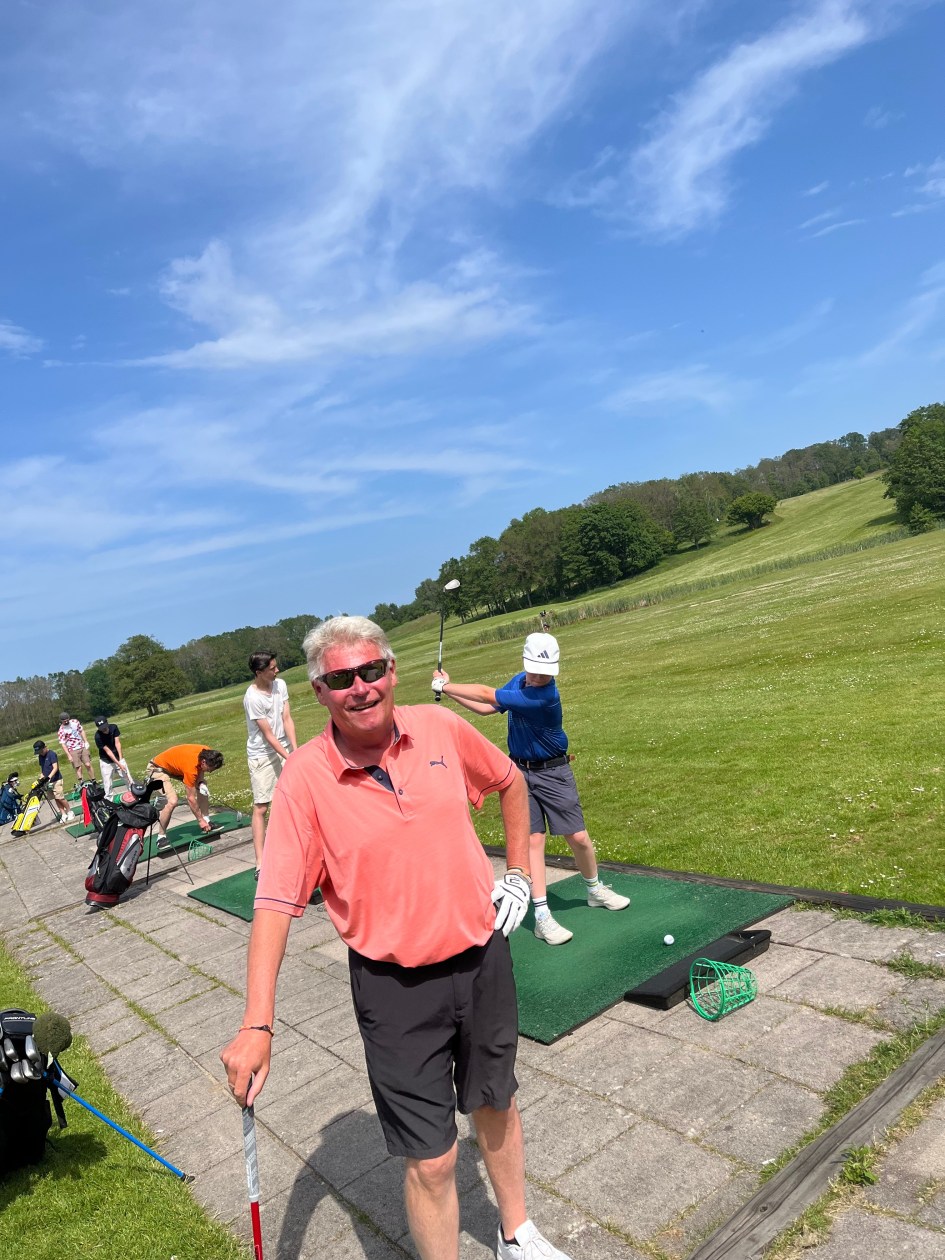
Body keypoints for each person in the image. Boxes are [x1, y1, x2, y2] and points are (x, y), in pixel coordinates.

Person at [221, 616, 572, 1260]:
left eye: (370, 670)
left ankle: (516, 1234)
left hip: (482, 957)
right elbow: (274, 903)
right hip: (394, 987)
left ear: (391, 671)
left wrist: (520, 875)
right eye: (340, 679)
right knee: (433, 1160)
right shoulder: (304, 779)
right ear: (319, 692)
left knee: (496, 1103)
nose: (359, 687)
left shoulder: (439, 727)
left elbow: (510, 782)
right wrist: (257, 1024)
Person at [433, 631, 630, 946]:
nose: (538, 677)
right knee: (533, 842)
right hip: (520, 774)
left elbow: (485, 693)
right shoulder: (520, 681)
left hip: (554, 772)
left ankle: (595, 889)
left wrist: (445, 686)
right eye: (534, 670)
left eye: (545, 672)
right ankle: (542, 917)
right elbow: (486, 707)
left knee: (578, 837)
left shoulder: (545, 696)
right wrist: (449, 690)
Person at [243, 651, 297, 877]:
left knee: (294, 799)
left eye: (276, 666)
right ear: (259, 672)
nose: (277, 671)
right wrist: (289, 757)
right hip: (262, 754)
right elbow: (268, 735)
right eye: (272, 668)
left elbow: (286, 719)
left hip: (284, 746)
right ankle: (260, 862)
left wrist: (295, 751)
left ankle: (296, 850)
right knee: (262, 807)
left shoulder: (280, 685)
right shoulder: (252, 698)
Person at [145, 745, 225, 843]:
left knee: (202, 786)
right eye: (210, 768)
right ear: (204, 762)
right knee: (172, 801)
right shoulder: (190, 769)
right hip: (157, 768)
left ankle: (207, 820)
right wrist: (200, 820)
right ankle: (161, 837)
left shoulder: (207, 752)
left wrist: (201, 783)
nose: (210, 771)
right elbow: (191, 798)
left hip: (175, 767)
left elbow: (200, 770)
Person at [31, 741, 76, 824]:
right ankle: (63, 814)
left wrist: (49, 777)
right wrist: (41, 778)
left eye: (41, 751)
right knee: (55, 798)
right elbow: (43, 770)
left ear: (44, 748)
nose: (40, 753)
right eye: (38, 752)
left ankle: (69, 811)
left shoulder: (51, 754)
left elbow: (55, 768)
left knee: (60, 797)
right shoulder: (40, 757)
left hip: (56, 779)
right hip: (47, 782)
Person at [93, 717, 134, 795]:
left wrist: (121, 759)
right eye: (102, 728)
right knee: (108, 784)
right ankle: (109, 800)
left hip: (118, 757)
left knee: (128, 779)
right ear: (98, 728)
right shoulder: (97, 736)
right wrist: (119, 764)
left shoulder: (113, 727)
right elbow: (108, 751)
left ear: (107, 723)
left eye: (105, 727)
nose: (104, 729)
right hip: (106, 761)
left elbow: (117, 743)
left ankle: (134, 795)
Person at [57, 712, 93, 784]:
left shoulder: (75, 722)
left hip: (82, 746)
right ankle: (82, 783)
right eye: (64, 721)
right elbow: (63, 744)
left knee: (88, 764)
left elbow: (81, 731)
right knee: (78, 768)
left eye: (67, 720)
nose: (66, 722)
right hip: (72, 749)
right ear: (61, 721)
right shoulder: (61, 730)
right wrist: (68, 755)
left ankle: (93, 780)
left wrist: (86, 741)